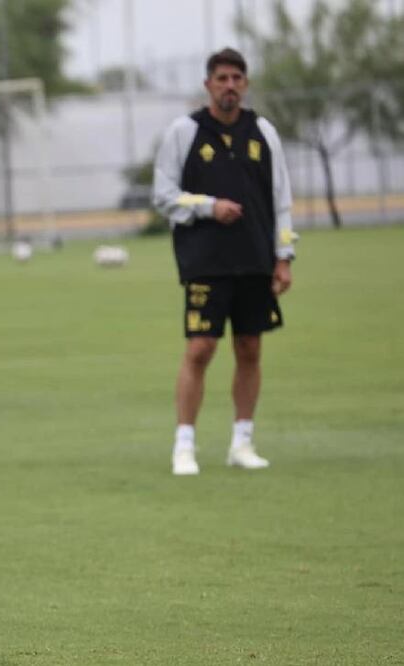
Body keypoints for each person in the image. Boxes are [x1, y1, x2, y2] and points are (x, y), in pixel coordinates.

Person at [152, 48, 297, 476]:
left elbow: (282, 201)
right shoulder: (185, 131)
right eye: (222, 78)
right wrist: (208, 206)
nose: (229, 85)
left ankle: (243, 441)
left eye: (237, 77)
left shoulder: (263, 133)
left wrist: (284, 256)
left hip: (254, 259)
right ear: (208, 85)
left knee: (250, 348)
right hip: (206, 261)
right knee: (200, 348)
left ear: (245, 84)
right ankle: (184, 446)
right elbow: (163, 195)